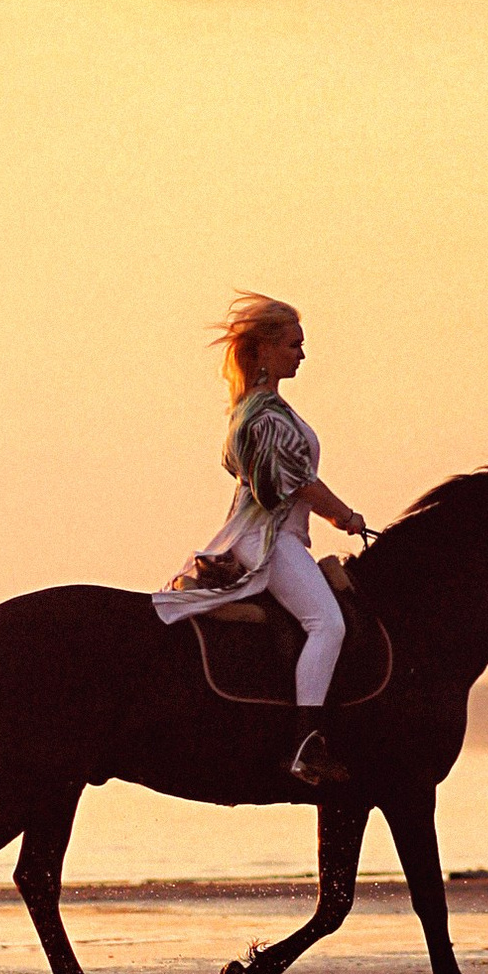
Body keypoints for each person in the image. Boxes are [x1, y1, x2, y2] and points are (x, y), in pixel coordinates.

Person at [153, 294, 372, 785]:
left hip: (279, 534)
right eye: (294, 345)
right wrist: (344, 516)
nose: (302, 355)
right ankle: (305, 743)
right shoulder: (266, 416)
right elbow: (297, 483)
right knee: (327, 624)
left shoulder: (263, 408)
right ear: (267, 349)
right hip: (269, 539)